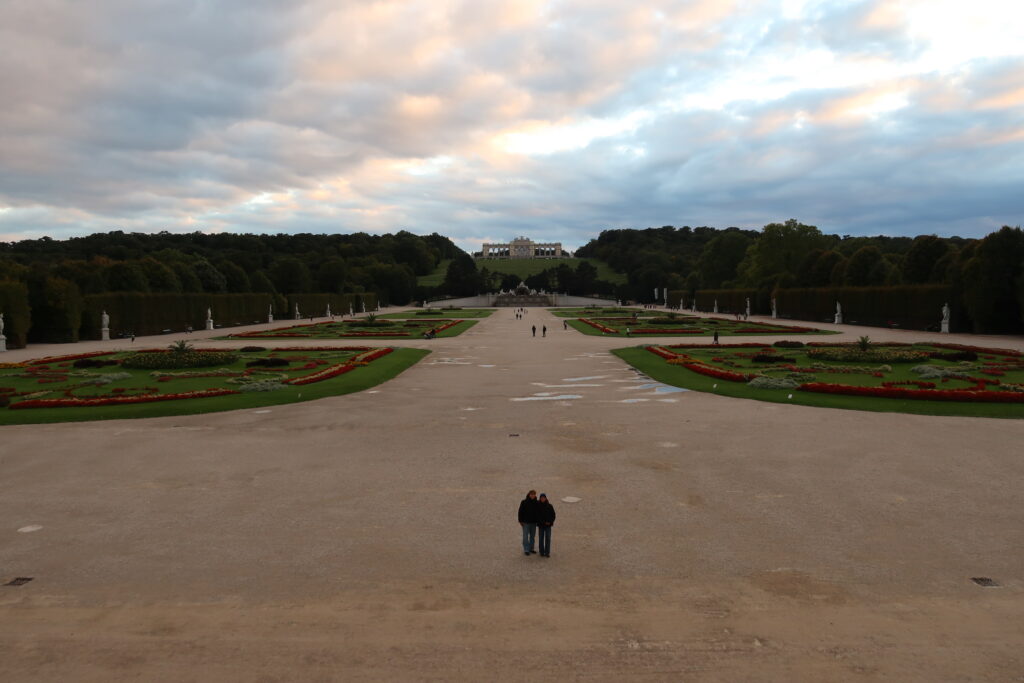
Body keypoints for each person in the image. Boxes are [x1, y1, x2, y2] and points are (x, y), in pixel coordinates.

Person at [518, 490, 540, 556]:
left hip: (533, 523)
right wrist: (520, 521)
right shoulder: (524, 502)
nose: (532, 495)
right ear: (529, 494)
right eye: (531, 494)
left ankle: (531, 548)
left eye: (534, 494)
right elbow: (520, 512)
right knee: (525, 537)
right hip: (525, 523)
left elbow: (539, 513)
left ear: (535, 495)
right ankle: (526, 549)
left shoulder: (537, 502)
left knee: (532, 537)